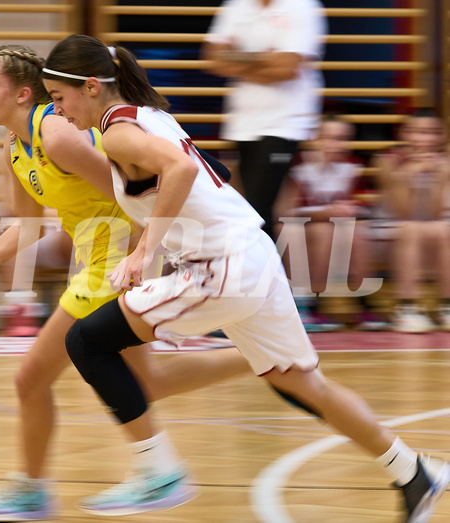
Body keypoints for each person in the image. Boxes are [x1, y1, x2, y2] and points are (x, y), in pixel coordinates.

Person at [42, 34, 450, 521]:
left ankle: (157, 473)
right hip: (254, 256)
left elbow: (181, 171)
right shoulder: (151, 117)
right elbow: (213, 174)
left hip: (221, 270)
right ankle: (413, 472)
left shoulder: (116, 132)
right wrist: (154, 250)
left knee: (87, 341)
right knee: (301, 383)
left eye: (57, 98)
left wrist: (148, 249)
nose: (58, 111)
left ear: (90, 87)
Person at [0, 44, 252, 521]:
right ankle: (264, 356)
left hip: (112, 260)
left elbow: (129, 195)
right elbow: (27, 227)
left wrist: (140, 260)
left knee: (31, 376)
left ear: (22, 92)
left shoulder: (57, 136)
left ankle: (134, 475)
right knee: (147, 381)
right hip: (98, 260)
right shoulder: (14, 146)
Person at [201, 0, 326, 240]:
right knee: (249, 210)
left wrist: (238, 59)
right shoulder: (237, 6)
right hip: (242, 124)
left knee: (259, 211)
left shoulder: (303, 6)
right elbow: (213, 57)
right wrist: (265, 57)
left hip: (285, 124)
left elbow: (286, 68)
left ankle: (267, 276)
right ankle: (266, 275)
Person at [284, 114, 387, 332]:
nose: (335, 144)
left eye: (341, 138)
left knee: (357, 232)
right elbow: (287, 212)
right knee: (324, 231)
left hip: (338, 225)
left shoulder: (352, 166)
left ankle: (364, 303)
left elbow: (358, 204)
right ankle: (312, 305)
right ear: (314, 139)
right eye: (327, 137)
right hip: (302, 227)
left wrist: (349, 210)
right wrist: (325, 212)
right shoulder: (299, 166)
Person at [376, 107, 450, 333]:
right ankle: (406, 308)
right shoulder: (388, 161)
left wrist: (439, 176)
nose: (425, 139)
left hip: (434, 228)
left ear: (441, 136)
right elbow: (402, 212)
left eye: (432, 132)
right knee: (410, 228)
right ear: (404, 135)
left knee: (442, 229)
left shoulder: (446, 162)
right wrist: (410, 172)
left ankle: (445, 307)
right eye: (417, 132)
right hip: (393, 228)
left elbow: (436, 213)